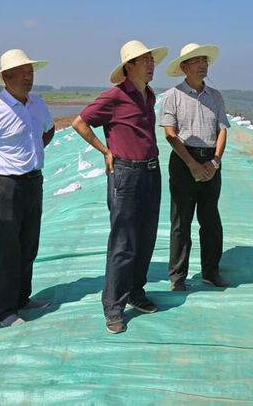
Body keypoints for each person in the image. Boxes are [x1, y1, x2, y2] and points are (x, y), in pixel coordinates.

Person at [72, 40, 168, 334]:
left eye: (152, 60)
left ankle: (136, 293)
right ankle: (114, 307)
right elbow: (80, 123)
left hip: (151, 172)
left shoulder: (148, 95)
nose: (151, 65)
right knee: (123, 243)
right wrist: (105, 150)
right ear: (129, 66)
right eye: (145, 60)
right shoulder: (115, 96)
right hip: (126, 174)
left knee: (146, 238)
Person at [0, 49, 55, 328]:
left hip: (33, 181)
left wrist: (33, 150)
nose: (29, 78)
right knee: (7, 250)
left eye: (31, 73)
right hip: (5, 186)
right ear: (6, 77)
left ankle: (22, 298)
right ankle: (6, 311)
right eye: (22, 73)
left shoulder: (37, 104)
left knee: (29, 244)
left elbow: (49, 130)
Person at [160, 43, 230, 291]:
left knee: (211, 219)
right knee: (181, 221)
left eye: (205, 61)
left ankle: (211, 271)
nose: (203, 65)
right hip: (183, 160)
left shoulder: (215, 96)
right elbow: (170, 134)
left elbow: (222, 129)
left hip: (211, 159)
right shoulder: (173, 96)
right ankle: (178, 276)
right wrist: (192, 165)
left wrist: (215, 161)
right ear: (183, 67)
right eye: (196, 61)